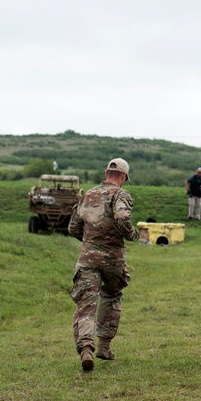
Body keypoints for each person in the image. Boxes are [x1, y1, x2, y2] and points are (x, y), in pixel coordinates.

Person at [68, 158, 138, 372]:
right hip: (113, 259)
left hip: (88, 258)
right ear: (123, 177)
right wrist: (131, 235)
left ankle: (86, 348)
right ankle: (104, 347)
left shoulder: (87, 195)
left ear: (106, 173)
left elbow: (73, 227)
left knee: (86, 304)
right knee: (111, 296)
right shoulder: (121, 194)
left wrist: (91, 242)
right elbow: (123, 218)